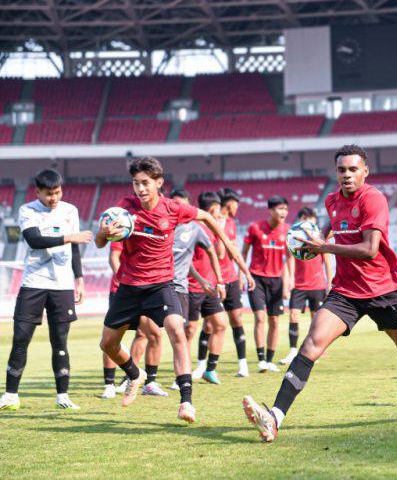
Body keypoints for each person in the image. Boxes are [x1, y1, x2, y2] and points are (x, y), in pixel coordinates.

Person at [241, 145, 397, 443]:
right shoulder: (332, 201)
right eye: (342, 170)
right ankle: (275, 418)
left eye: (353, 169)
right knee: (311, 345)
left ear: (364, 171)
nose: (347, 175)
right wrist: (314, 239)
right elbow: (328, 232)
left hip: (383, 291)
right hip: (345, 292)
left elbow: (370, 250)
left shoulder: (374, 199)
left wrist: (323, 247)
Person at [96, 157, 248, 424]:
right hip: (129, 286)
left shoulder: (173, 208)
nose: (140, 189)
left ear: (158, 183)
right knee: (107, 344)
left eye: (145, 183)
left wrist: (229, 245)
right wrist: (102, 233)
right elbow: (100, 243)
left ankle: (187, 401)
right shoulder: (124, 208)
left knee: (178, 330)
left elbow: (206, 216)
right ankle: (135, 374)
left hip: (161, 284)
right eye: (136, 183)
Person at [0, 169, 91, 411]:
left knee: (60, 340)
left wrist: (79, 279)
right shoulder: (27, 210)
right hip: (34, 283)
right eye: (49, 194)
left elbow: (75, 249)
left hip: (61, 286)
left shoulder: (70, 210)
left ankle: (63, 396)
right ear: (38, 191)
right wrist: (70, 237)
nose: (54, 198)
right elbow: (34, 240)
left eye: (58, 192)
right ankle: (10, 395)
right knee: (21, 339)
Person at [193, 188, 255, 378]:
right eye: (236, 203)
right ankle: (202, 365)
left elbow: (233, 252)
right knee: (209, 325)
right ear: (228, 204)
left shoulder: (231, 224)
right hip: (213, 280)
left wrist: (245, 273)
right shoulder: (205, 225)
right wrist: (219, 231)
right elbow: (220, 253)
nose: (237, 207)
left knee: (236, 319)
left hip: (230, 279)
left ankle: (242, 364)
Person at [100, 240, 165, 399]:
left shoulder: (148, 230)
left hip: (144, 290)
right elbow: (114, 257)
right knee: (111, 338)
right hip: (122, 291)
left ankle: (141, 380)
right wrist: (124, 282)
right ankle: (109, 384)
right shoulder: (125, 226)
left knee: (149, 334)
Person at [241, 196, 291, 373]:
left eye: (286, 209)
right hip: (257, 278)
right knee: (260, 318)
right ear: (270, 210)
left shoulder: (287, 231)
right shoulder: (255, 228)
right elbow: (244, 252)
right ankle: (261, 359)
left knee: (275, 321)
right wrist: (243, 275)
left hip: (276, 281)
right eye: (280, 208)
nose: (283, 212)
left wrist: (287, 282)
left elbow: (289, 259)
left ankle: (270, 360)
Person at [185, 192, 230, 384]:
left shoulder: (213, 227)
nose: (220, 211)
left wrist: (219, 281)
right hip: (192, 286)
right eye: (218, 207)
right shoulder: (191, 227)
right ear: (212, 208)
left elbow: (220, 255)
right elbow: (185, 258)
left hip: (210, 287)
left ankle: (210, 369)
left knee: (220, 323)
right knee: (189, 331)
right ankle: (184, 373)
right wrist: (199, 279)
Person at [280, 207, 333, 365]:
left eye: (312, 220)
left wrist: (329, 282)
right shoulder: (293, 239)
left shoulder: (320, 240)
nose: (310, 223)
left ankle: (314, 351)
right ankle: (292, 351)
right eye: (306, 219)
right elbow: (289, 260)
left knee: (316, 319)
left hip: (317, 284)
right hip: (300, 285)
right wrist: (289, 280)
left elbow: (328, 264)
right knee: (293, 315)